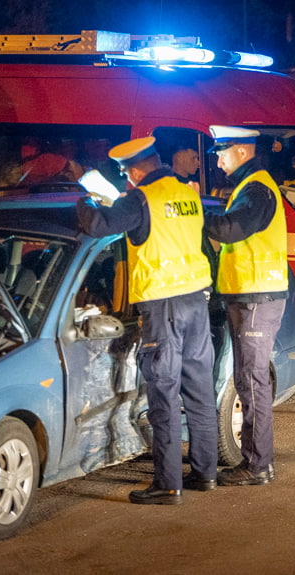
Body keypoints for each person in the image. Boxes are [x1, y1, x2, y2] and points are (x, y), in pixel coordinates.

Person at [76, 136, 219, 504]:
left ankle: (168, 485)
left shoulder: (140, 199)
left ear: (137, 169)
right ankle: (205, 474)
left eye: (126, 173)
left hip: (162, 307)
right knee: (200, 390)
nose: (127, 180)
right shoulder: (187, 193)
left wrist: (84, 198)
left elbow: (97, 224)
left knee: (164, 393)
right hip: (196, 302)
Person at [204, 125, 288, 487]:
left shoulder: (256, 189)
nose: (217, 160)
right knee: (247, 379)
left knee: (251, 382)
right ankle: (256, 462)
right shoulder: (250, 186)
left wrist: (195, 213)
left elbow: (229, 230)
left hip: (256, 297)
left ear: (241, 151)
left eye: (221, 153)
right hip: (248, 296)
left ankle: (257, 465)